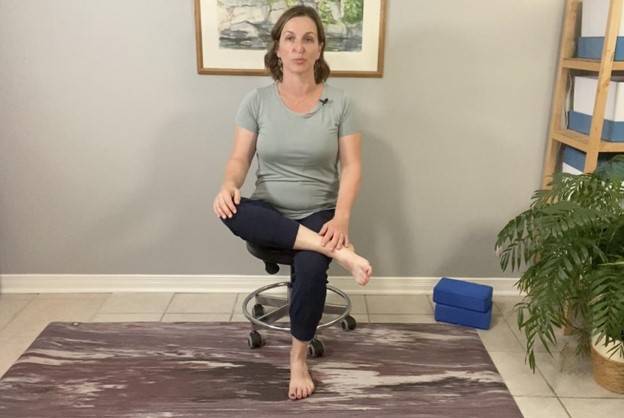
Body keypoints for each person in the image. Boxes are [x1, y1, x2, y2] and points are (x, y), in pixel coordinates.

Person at [212, 5, 373, 401]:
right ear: (278, 48)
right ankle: (335, 250)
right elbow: (238, 160)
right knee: (232, 208)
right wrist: (229, 184)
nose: (298, 47)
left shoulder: (341, 105)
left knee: (313, 268)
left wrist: (341, 218)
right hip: (268, 212)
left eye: (308, 39)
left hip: (320, 211)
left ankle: (298, 360)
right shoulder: (257, 100)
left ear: (319, 49)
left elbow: (352, 169)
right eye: (290, 38)